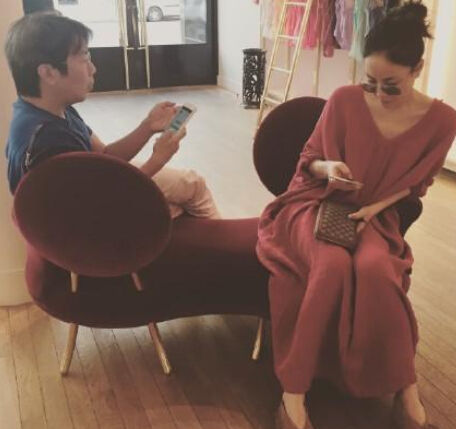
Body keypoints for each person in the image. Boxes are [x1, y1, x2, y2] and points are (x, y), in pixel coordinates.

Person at [256, 2, 456, 429]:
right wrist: (329, 167)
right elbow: (308, 161)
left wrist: (373, 209)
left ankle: (405, 390)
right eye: (370, 83)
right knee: (329, 267)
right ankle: (293, 394)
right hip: (314, 203)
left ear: (417, 70)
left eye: (391, 86)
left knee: (376, 270)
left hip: (375, 216)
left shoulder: (442, 121)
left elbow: (415, 186)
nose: (379, 94)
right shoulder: (345, 100)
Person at [4, 12, 220, 220]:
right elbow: (107, 202)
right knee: (191, 189)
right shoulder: (49, 143)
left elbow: (104, 155)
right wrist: (158, 159)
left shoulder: (49, 109)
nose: (93, 69)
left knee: (187, 187)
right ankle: (223, 241)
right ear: (48, 73)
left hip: (96, 191)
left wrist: (148, 126)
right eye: (84, 57)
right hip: (93, 223)